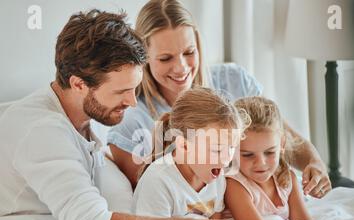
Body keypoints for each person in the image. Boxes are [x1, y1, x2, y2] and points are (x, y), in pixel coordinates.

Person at [0, 9, 238, 220]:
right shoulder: (42, 132)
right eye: (121, 92)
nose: (133, 102)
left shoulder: (80, 122)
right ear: (79, 84)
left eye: (134, 89)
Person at [107, 0, 331, 199]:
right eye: (166, 58)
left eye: (189, 52)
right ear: (144, 59)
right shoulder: (131, 118)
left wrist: (314, 163)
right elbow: (148, 197)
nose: (182, 68)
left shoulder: (233, 81)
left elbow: (280, 136)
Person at [224, 96, 354, 220]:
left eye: (269, 152)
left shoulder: (287, 176)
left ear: (282, 144)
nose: (261, 163)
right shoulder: (234, 185)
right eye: (247, 155)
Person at [132, 87, 247, 220]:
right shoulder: (158, 180)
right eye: (217, 150)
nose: (226, 159)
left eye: (231, 147)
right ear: (184, 146)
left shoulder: (217, 176)